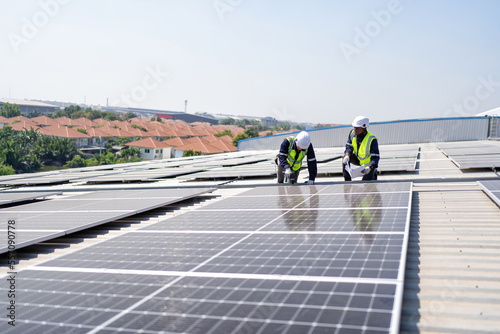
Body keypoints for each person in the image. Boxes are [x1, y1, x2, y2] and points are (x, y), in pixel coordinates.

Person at [342, 116, 380, 181]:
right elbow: (349, 146)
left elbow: (375, 157)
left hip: (368, 164)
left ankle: (373, 172)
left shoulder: (372, 139)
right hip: (358, 159)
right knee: (345, 159)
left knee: (366, 182)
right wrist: (347, 155)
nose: (355, 130)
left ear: (364, 128)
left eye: (357, 128)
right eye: (354, 127)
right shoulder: (352, 133)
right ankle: (347, 180)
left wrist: (370, 167)